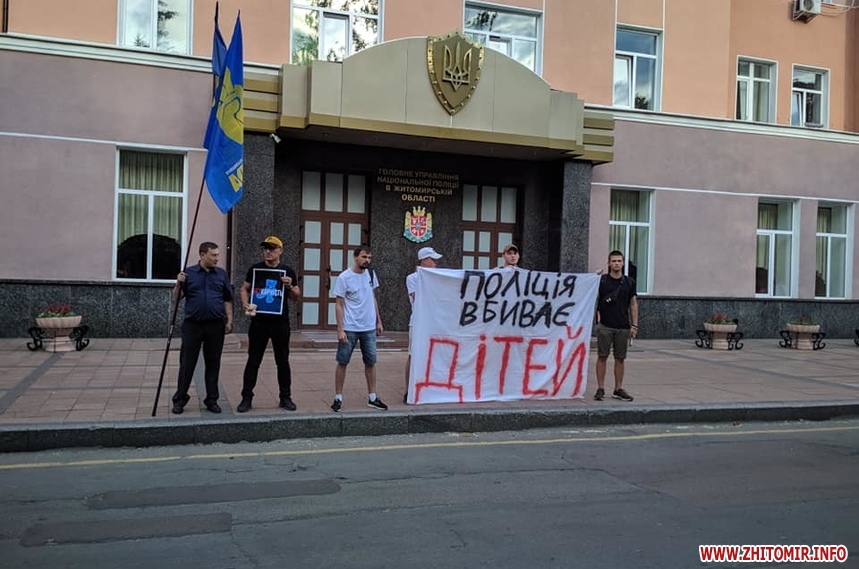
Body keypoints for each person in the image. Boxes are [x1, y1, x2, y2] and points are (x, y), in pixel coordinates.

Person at [236, 236, 301, 413]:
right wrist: (245, 303)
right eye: (265, 248)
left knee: (282, 361)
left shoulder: (287, 271)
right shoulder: (255, 269)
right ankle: (246, 397)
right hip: (259, 322)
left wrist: (290, 286)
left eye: (272, 248)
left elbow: (296, 296)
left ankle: (285, 397)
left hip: (280, 323)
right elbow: (244, 289)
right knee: (253, 360)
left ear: (280, 250)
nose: (268, 252)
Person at [171, 242, 233, 414]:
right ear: (202, 255)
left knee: (213, 363)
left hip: (216, 325)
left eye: (218, 255)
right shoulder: (188, 273)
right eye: (213, 255)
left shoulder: (221, 274)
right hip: (193, 325)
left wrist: (229, 320)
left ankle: (212, 399)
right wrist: (178, 283)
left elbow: (227, 298)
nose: (217, 258)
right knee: (187, 363)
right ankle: (180, 399)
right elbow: (177, 297)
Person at [331, 246, 386, 412]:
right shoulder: (344, 277)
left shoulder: (371, 274)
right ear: (355, 257)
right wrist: (340, 329)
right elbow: (339, 304)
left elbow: (372, 297)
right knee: (343, 361)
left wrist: (378, 321)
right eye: (364, 257)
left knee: (371, 362)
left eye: (369, 257)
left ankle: (373, 397)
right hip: (350, 327)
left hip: (368, 327)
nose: (367, 260)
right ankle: (338, 397)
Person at [594, 250, 638, 402]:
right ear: (608, 263)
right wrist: (593, 277)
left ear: (623, 263)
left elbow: (633, 304)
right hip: (605, 326)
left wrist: (635, 325)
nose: (616, 263)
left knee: (620, 358)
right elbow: (588, 291)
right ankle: (600, 388)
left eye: (619, 261)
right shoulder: (602, 281)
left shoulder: (629, 282)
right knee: (602, 356)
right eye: (613, 261)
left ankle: (618, 389)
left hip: (623, 326)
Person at [404, 246, 443, 403]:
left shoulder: (438, 277)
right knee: (413, 355)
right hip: (417, 322)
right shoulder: (413, 278)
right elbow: (418, 297)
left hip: (434, 322)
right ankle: (408, 389)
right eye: (433, 260)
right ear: (425, 260)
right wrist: (424, 277)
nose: (435, 263)